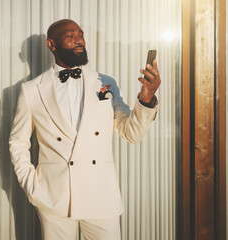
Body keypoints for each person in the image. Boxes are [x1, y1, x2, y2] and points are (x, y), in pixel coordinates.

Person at [9, 19, 160, 240]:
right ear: (52, 45)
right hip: (54, 197)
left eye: (81, 35)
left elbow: (131, 133)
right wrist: (32, 185)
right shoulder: (32, 90)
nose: (79, 40)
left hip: (100, 196)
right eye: (70, 37)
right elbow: (18, 143)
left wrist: (146, 99)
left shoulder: (106, 83)